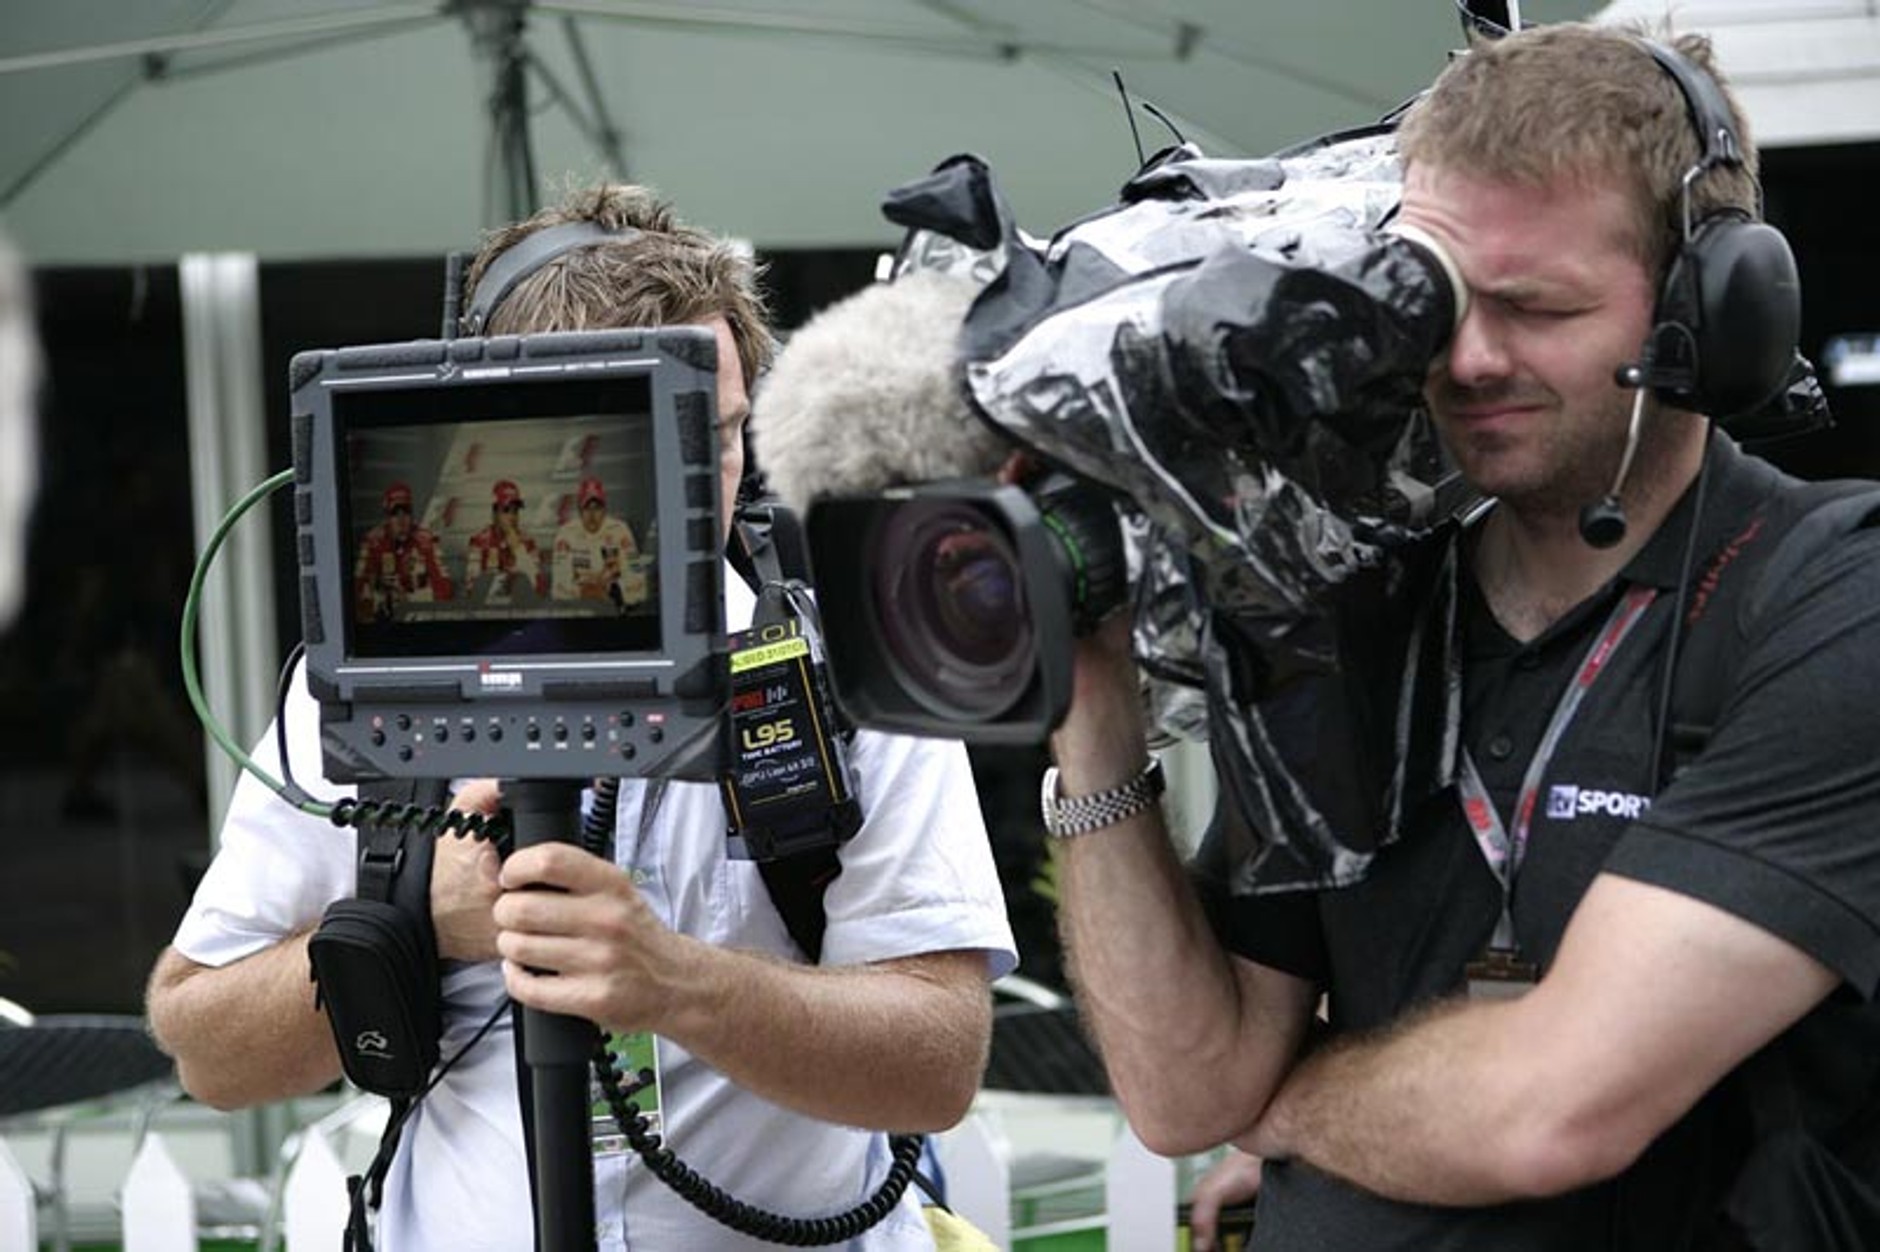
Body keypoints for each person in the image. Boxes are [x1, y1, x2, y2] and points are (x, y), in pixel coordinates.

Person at [1048, 22, 1880, 1250]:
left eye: (1537, 306)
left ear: (1713, 311)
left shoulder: (1825, 597)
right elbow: (1184, 1090)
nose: (1472, 356)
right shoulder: (1354, 597)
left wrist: (1285, 1105)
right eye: (1434, 296)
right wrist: (1093, 709)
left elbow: (1547, 1110)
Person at [146, 183, 1016, 1251]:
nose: (709, 486)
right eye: (657, 445)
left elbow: (938, 1063)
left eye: (729, 435)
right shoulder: (374, 679)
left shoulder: (848, 664)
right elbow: (208, 1050)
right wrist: (421, 921)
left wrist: (679, 984)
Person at [353, 480, 454, 621]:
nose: (401, 519)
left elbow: (445, 588)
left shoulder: (426, 540)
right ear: (387, 517)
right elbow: (356, 589)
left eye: (406, 511)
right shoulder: (373, 542)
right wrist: (381, 600)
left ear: (412, 515)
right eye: (395, 513)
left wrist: (411, 600)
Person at [551, 475, 644, 605]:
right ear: (579, 510)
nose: (592, 514)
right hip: (579, 609)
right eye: (587, 507)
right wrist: (583, 592)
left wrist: (613, 591)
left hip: (614, 607)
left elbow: (638, 581)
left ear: (605, 510)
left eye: (597, 507)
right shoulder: (566, 534)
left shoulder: (620, 531)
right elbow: (558, 587)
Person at [465, 477, 547, 603]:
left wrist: (519, 550)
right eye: (506, 510)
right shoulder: (479, 541)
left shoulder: (528, 542)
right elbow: (472, 590)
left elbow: (539, 589)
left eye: (515, 510)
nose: (512, 517)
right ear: (494, 513)